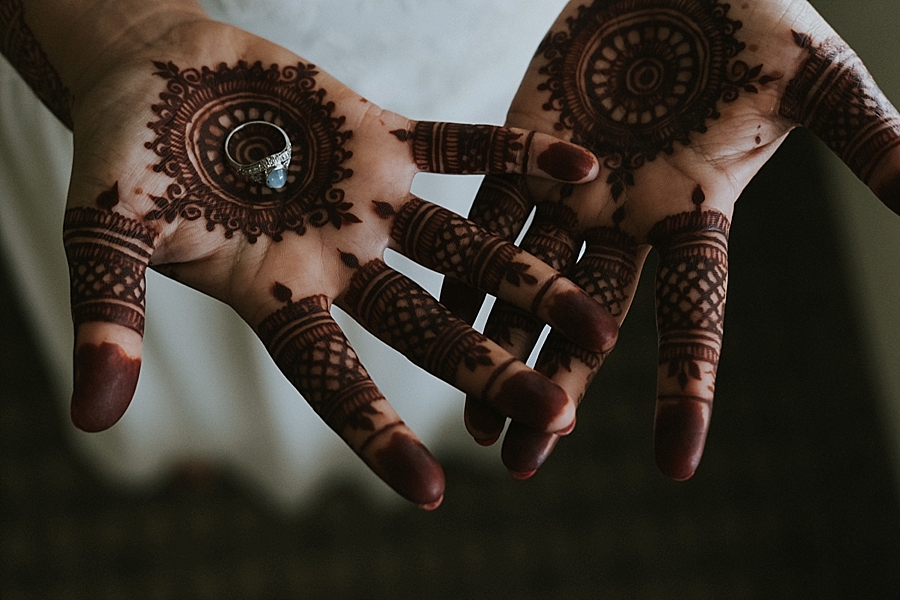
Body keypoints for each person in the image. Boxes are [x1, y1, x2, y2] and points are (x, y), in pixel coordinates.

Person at [1, 0, 897, 509]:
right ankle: (196, 430)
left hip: (504, 52)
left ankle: (415, 417)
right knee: (190, 275)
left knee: (447, 282)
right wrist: (109, 35)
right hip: (153, 57)